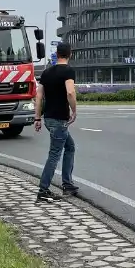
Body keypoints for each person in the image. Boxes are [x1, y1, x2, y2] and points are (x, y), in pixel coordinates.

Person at [33, 42, 77, 202]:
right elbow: (70, 92)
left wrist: (37, 118)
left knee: (70, 147)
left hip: (48, 118)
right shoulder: (68, 71)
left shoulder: (46, 73)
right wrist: (74, 110)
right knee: (54, 154)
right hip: (60, 118)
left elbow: (38, 97)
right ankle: (43, 190)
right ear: (70, 54)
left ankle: (68, 184)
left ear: (57, 54)